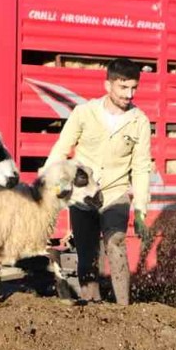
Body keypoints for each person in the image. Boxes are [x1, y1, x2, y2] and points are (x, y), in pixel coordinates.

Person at [44, 57, 153, 303]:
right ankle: (91, 306)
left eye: (134, 87)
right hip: (84, 196)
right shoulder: (84, 113)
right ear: (108, 85)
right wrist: (51, 183)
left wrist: (141, 209)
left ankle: (124, 308)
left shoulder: (140, 122)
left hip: (115, 192)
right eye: (123, 87)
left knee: (115, 241)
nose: (129, 94)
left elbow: (141, 166)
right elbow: (61, 149)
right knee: (87, 252)